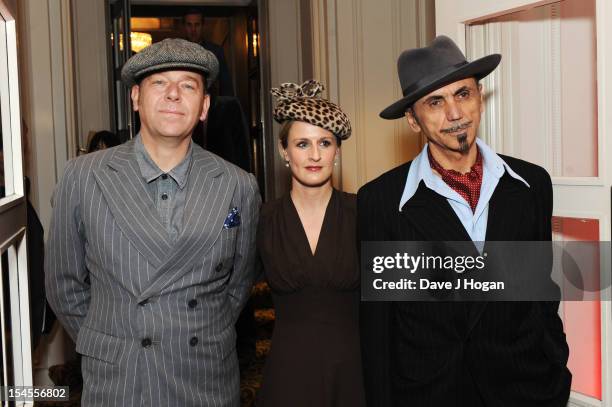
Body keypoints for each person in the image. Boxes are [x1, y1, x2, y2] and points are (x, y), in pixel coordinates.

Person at [45, 38, 260, 406]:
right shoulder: (83, 177)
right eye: (159, 83)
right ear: (135, 98)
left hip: (204, 375)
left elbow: (238, 286)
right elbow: (64, 284)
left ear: (205, 106)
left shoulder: (239, 185)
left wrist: (196, 332)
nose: (174, 94)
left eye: (188, 85)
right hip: (120, 381)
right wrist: (113, 340)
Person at [358, 36, 571, 406]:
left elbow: (540, 293)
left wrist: (555, 371)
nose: (455, 114)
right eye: (435, 102)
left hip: (524, 389)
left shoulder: (531, 184)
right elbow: (378, 329)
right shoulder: (381, 201)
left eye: (463, 94)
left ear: (480, 98)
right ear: (412, 119)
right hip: (430, 393)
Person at [257, 80, 366, 407]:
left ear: (337, 151)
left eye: (325, 142)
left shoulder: (364, 213)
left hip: (354, 375)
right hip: (287, 376)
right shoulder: (263, 220)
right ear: (283, 151)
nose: (315, 155)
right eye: (302, 144)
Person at [183, 8, 234, 96]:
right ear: (184, 27)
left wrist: (224, 107)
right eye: (189, 25)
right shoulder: (177, 50)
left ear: (203, 26)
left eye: (197, 25)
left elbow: (225, 84)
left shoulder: (216, 51)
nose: (193, 29)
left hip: (211, 104)